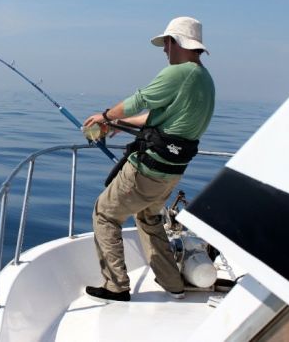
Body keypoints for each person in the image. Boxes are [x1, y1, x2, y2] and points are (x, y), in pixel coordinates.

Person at [83, 16, 215, 302]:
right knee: (149, 216)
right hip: (171, 173)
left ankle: (115, 286)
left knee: (105, 213)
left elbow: (140, 101)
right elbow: (159, 120)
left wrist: (104, 117)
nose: (164, 50)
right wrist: (118, 125)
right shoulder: (204, 80)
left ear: (176, 42)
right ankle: (173, 284)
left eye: (166, 43)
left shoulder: (180, 73)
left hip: (148, 169)